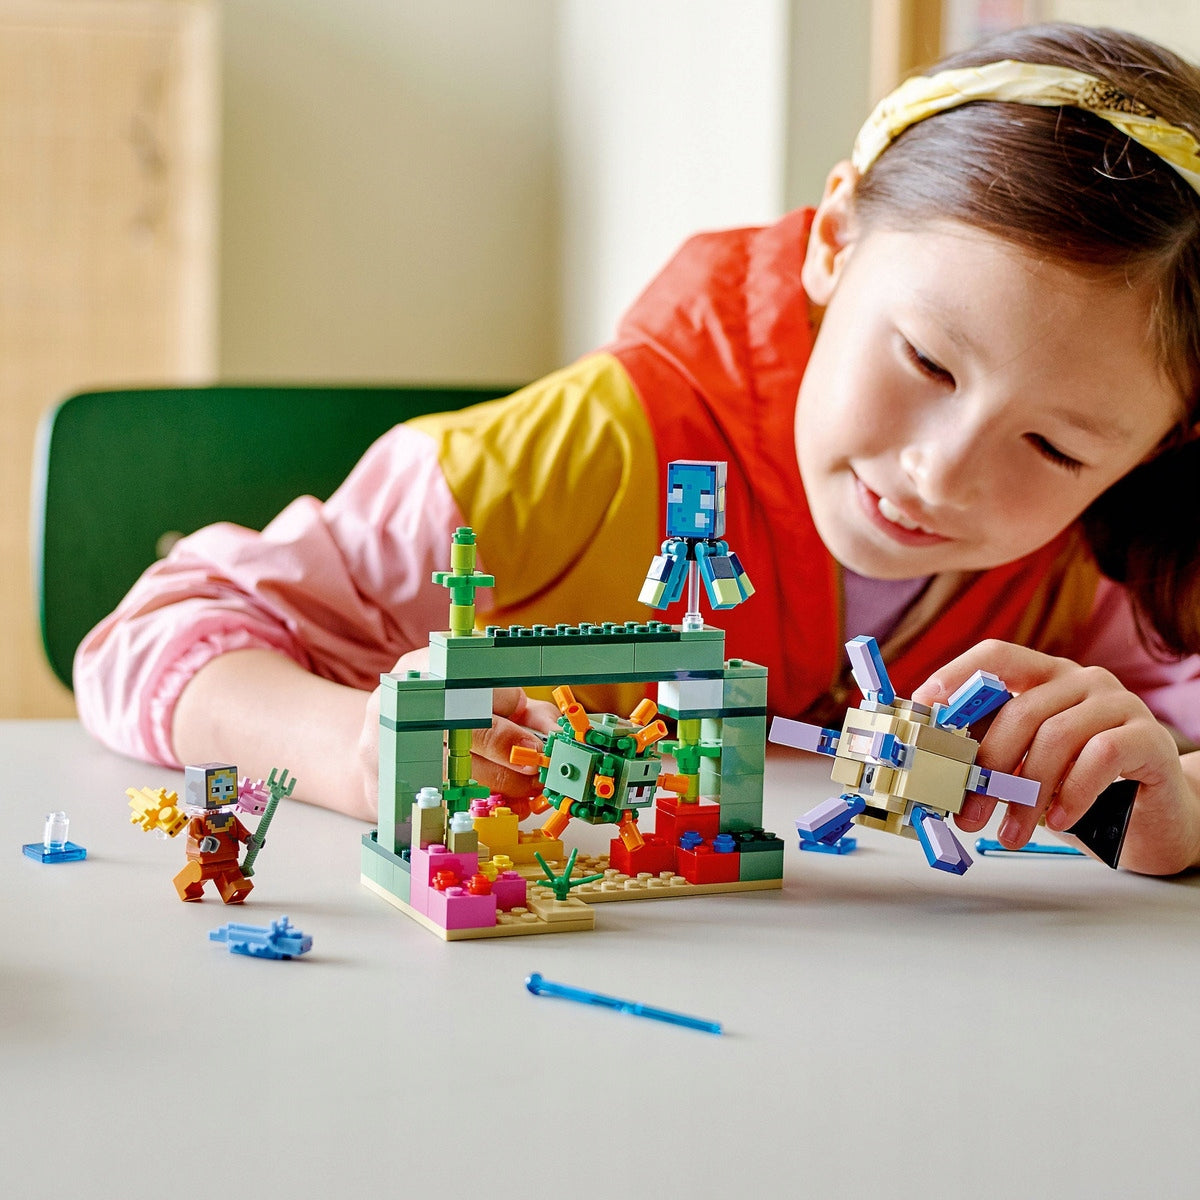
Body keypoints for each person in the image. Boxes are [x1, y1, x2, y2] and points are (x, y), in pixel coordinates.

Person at [76, 23, 1200, 876]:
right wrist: (360, 754)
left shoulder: (1099, 570)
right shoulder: (581, 452)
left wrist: (1175, 811)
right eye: (927, 363)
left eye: (1053, 446)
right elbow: (148, 638)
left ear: (1159, 446)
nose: (940, 473)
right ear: (833, 239)